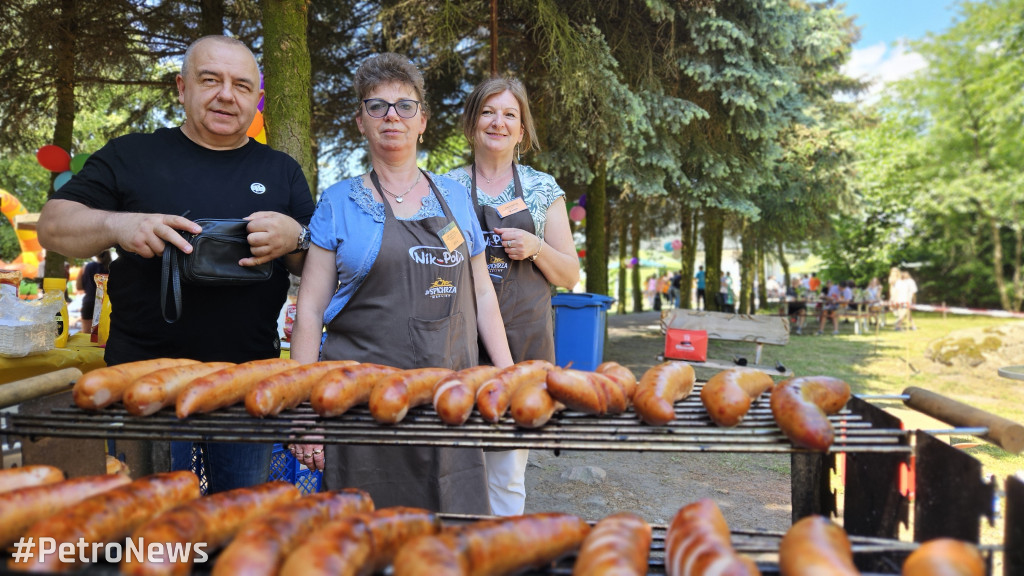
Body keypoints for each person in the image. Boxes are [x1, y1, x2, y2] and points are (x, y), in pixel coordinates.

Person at [36, 35, 316, 493]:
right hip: (145, 385)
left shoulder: (280, 168)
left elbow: (314, 264)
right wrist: (120, 225)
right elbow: (53, 225)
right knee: (150, 529)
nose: (227, 94)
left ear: (256, 100)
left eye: (242, 86)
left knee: (238, 523)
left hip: (248, 385)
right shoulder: (132, 154)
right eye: (211, 80)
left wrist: (296, 237)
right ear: (182, 88)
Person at [289, 53, 514, 514]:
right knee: (364, 538)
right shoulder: (338, 203)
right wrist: (304, 412)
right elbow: (309, 311)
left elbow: (484, 294)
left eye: (404, 105)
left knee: (452, 536)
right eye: (377, 106)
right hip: (360, 409)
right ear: (361, 122)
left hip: (448, 402)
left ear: (423, 122)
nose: (392, 115)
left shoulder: (455, 197)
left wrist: (510, 377)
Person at [445, 76, 579, 515]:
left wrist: (536, 247)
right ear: (471, 124)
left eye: (509, 115)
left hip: (523, 347)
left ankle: (503, 553)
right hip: (455, 345)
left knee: (505, 472)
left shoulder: (543, 189)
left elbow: (571, 275)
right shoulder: (443, 189)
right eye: (487, 112)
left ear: (522, 130)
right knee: (453, 466)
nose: (497, 122)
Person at [76, 249, 112, 334]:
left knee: (87, 335)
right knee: (104, 336)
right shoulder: (111, 268)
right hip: (106, 304)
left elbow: (79, 286)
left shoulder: (87, 267)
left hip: (89, 302)